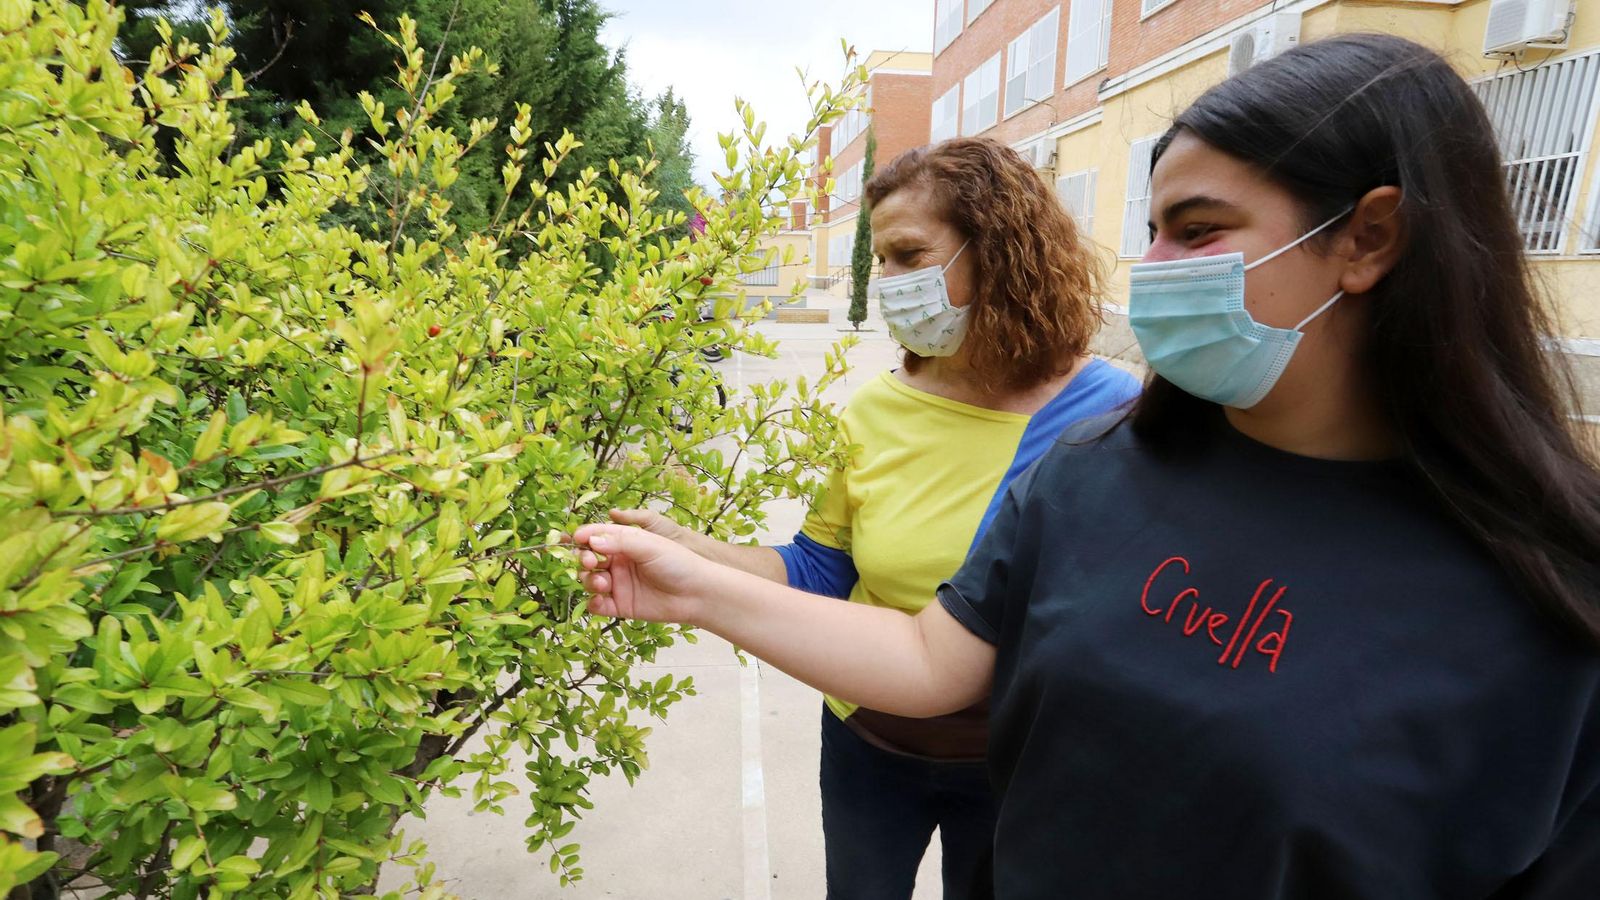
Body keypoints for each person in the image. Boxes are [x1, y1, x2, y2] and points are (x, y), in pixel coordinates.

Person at [575, 33, 1600, 899]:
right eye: (1149, 230)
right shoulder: (1092, 471)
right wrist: (697, 585)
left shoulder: (1553, 603)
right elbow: (932, 660)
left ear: (1369, 238)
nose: (1152, 271)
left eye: (1198, 232)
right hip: (878, 764)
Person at [610, 137, 1140, 898]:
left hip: (1021, 763)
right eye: (879, 261)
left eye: (906, 255)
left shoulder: (1111, 414)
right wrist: (687, 549)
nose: (886, 282)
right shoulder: (877, 409)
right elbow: (820, 570)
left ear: (996, 249)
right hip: (868, 742)